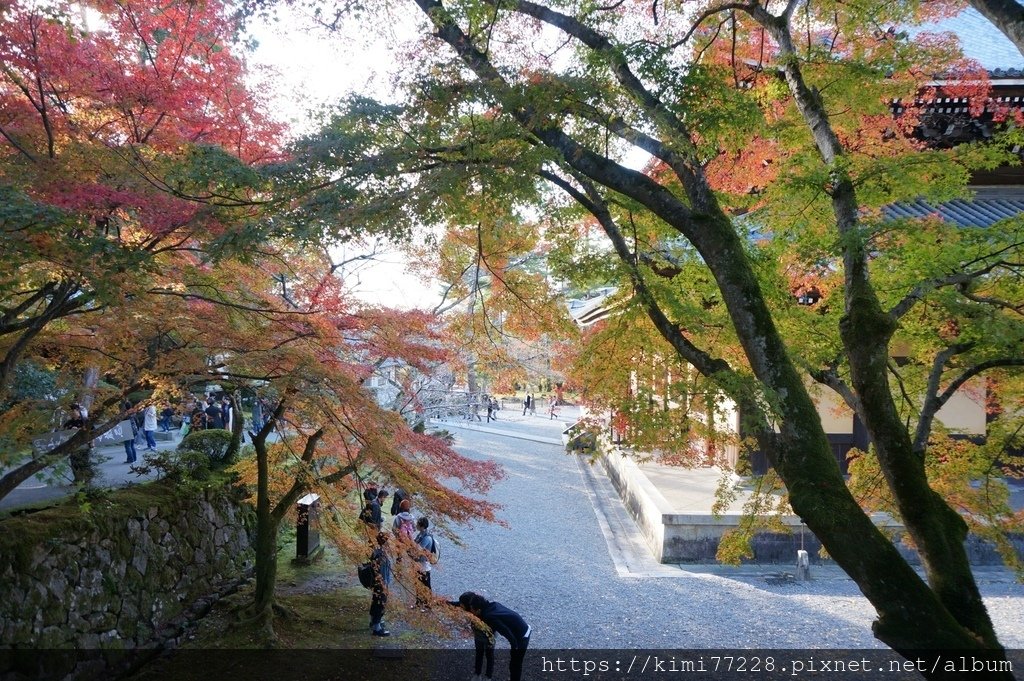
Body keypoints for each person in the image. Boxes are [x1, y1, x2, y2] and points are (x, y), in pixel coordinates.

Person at [454, 592, 531, 681]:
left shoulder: (490, 617)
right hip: (520, 628)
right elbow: (462, 605)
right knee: (513, 664)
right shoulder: (490, 605)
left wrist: (514, 646)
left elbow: (506, 632)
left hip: (522, 635)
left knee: (515, 664)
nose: (470, 610)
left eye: (472, 609)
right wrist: (443, 602)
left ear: (478, 610)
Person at [368, 532, 392, 637]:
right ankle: (377, 628)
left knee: (376, 602)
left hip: (376, 583)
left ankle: (374, 621)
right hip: (381, 584)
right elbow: (382, 573)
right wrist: (384, 585)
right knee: (380, 604)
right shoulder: (381, 555)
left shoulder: (376, 552)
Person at [64, 404, 92, 484]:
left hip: (84, 445)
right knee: (74, 464)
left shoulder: (85, 421)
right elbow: (63, 433)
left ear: (78, 411)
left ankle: (87, 479)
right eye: (71, 411)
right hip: (73, 446)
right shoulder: (69, 422)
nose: (72, 413)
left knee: (84, 463)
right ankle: (77, 480)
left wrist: (92, 442)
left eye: (74, 411)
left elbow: (92, 431)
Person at [412, 517, 436, 607]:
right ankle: (418, 602)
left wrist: (412, 546)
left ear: (422, 526)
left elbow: (418, 549)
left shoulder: (427, 538)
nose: (416, 525)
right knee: (417, 583)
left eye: (417, 524)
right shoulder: (421, 534)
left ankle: (428, 604)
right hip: (418, 562)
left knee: (426, 585)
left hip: (424, 564)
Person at [122, 399, 138, 464]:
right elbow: (137, 421)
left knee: (127, 446)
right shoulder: (133, 413)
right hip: (134, 429)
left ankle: (130, 459)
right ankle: (134, 459)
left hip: (127, 430)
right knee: (132, 445)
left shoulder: (125, 414)